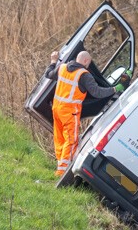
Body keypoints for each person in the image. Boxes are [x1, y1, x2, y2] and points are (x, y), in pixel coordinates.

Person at [50, 49, 119, 178]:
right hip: (70, 112)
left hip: (57, 108)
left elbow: (49, 74)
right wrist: (114, 89)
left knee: (60, 138)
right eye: (88, 63)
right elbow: (97, 92)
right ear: (86, 61)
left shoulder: (62, 67)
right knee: (71, 140)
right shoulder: (84, 75)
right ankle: (62, 171)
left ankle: (60, 166)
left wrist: (53, 61)